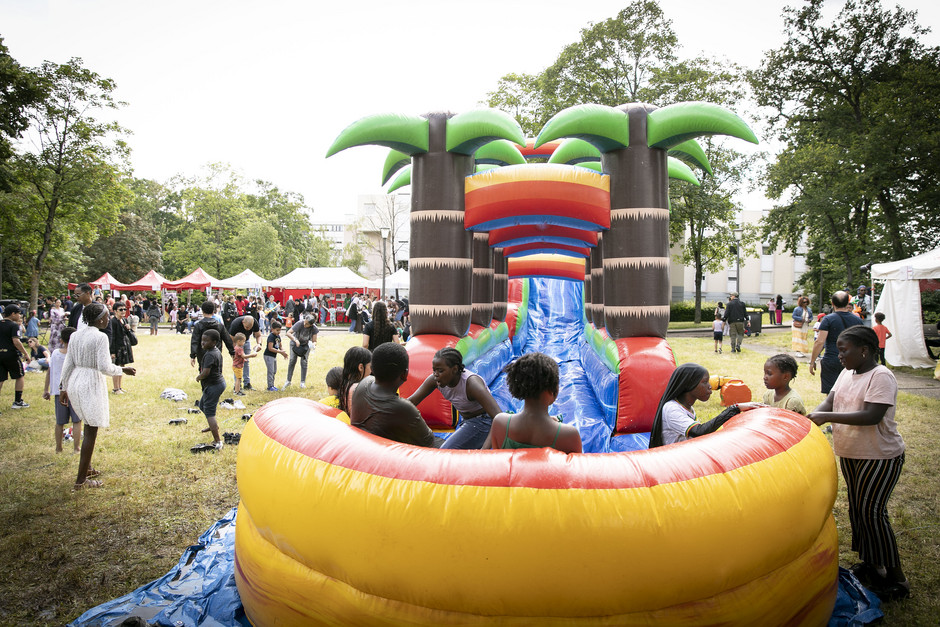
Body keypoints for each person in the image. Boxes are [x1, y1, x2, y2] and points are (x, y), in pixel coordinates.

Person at [808, 326, 908, 601]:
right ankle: (871, 564)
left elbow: (871, 415)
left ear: (864, 350)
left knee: (872, 513)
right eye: (838, 349)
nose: (838, 355)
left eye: (843, 350)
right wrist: (810, 416)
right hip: (852, 453)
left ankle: (897, 578)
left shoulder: (881, 376)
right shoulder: (846, 373)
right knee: (858, 511)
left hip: (880, 456)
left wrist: (828, 418)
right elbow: (830, 401)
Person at [60, 304, 136, 489]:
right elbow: (104, 366)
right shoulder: (100, 337)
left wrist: (63, 386)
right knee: (91, 429)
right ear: (99, 319)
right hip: (91, 381)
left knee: (88, 423)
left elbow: (68, 363)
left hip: (75, 381)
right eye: (106, 316)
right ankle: (81, 480)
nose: (108, 319)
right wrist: (122, 369)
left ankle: (87, 468)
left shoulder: (75, 335)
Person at [408, 347, 503, 450]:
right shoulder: (435, 380)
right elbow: (412, 401)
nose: (436, 374)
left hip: (484, 422)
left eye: (440, 371)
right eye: (434, 370)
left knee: (446, 452)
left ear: (455, 369)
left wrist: (484, 450)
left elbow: (499, 417)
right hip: (468, 421)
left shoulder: (471, 384)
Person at [349, 342, 441, 447]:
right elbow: (430, 443)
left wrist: (426, 387)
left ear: (372, 369)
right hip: (387, 458)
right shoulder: (404, 409)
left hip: (361, 449)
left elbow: (392, 408)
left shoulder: (363, 384)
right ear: (405, 374)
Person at [649, 363, 762, 448]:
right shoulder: (672, 408)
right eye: (705, 382)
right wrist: (734, 409)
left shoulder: (688, 407)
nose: (709, 386)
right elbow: (699, 432)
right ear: (689, 385)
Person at [489, 352, 582, 453]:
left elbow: (499, 460)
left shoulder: (500, 423)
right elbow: (574, 467)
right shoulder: (568, 435)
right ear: (552, 389)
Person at [809, 291, 863, 394]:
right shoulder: (857, 320)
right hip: (851, 360)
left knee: (831, 394)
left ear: (832, 303)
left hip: (832, 359)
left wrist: (812, 361)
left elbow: (820, 342)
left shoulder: (828, 319)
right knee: (849, 392)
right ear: (848, 302)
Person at [44, 327, 81, 453]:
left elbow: (50, 371)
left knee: (60, 422)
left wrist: (46, 389)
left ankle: (58, 448)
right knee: (77, 420)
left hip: (57, 391)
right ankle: (76, 448)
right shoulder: (77, 355)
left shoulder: (55, 353)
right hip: (74, 390)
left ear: (61, 340)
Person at [190, 328, 227, 453]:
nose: (203, 343)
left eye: (206, 341)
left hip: (214, 385)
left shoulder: (211, 354)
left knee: (210, 412)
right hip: (217, 383)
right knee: (202, 405)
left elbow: (205, 372)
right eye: (202, 340)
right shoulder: (214, 351)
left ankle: (218, 441)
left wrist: (198, 377)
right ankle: (213, 426)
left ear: (214, 342)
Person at [0, 305, 31, 409]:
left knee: (1, 379)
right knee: (19, 376)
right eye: (19, 313)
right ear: (13, 314)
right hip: (11, 354)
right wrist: (26, 353)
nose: (20, 316)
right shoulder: (13, 325)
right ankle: (18, 401)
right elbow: (16, 341)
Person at [191, 301, 235, 370]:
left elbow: (195, 341)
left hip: (202, 354)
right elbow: (227, 339)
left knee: (204, 373)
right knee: (217, 373)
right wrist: (232, 352)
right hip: (216, 353)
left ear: (202, 311)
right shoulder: (219, 325)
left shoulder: (199, 325)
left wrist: (193, 355)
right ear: (213, 311)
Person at [284, 314, 319, 389]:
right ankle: (288, 380)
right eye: (305, 322)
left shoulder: (314, 328)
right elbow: (288, 333)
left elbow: (314, 340)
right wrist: (295, 339)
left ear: (311, 325)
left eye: (307, 324)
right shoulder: (299, 323)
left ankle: (302, 382)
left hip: (305, 346)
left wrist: (313, 345)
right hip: (295, 344)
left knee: (304, 362)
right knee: (292, 360)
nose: (305, 324)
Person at [229, 313, 262, 390]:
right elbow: (231, 339)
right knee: (237, 363)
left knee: (246, 363)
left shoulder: (254, 322)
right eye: (247, 327)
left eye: (250, 328)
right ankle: (237, 385)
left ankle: (247, 383)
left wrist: (259, 344)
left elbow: (258, 335)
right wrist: (234, 351)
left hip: (246, 341)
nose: (248, 329)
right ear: (243, 322)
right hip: (237, 343)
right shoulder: (236, 323)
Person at [108, 302, 135, 394]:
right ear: (115, 311)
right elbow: (112, 337)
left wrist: (128, 329)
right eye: (121, 310)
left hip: (124, 347)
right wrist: (112, 351)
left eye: (124, 309)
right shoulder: (113, 322)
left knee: (122, 367)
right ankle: (116, 388)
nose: (123, 311)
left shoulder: (125, 320)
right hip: (116, 348)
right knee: (116, 368)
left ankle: (119, 387)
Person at [338, 346, 372, 414]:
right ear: (361, 367)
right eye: (370, 366)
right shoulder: (359, 388)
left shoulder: (345, 384)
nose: (371, 371)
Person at [263, 320, 288, 391]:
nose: (278, 332)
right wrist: (280, 352)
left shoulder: (278, 336)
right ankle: (270, 386)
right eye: (277, 330)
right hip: (268, 355)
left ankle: (272, 385)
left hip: (274, 356)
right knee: (270, 371)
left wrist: (283, 352)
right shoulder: (271, 336)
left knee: (274, 371)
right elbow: (270, 348)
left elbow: (280, 345)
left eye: (280, 330)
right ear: (272, 329)